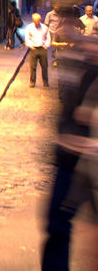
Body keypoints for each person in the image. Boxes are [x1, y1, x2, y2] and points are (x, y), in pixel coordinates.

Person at [41, 27, 98, 271]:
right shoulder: (76, 63)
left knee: (60, 223)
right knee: (57, 223)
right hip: (69, 159)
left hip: (84, 161)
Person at [25, 13, 51, 88]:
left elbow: (48, 37)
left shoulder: (44, 28)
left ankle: (45, 82)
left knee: (44, 66)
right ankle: (32, 82)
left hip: (42, 48)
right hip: (34, 49)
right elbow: (27, 38)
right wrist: (30, 46)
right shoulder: (29, 27)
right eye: (35, 21)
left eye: (38, 20)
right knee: (32, 66)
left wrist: (46, 45)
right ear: (33, 20)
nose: (37, 22)